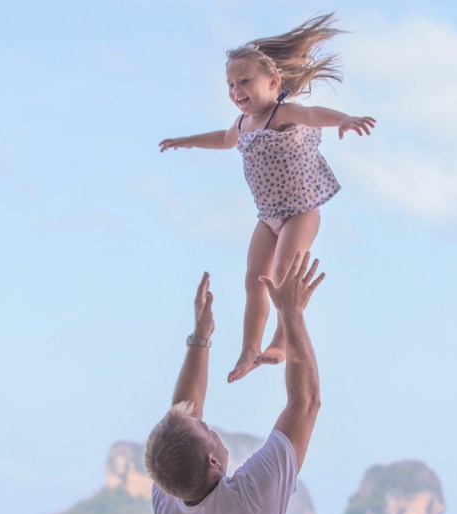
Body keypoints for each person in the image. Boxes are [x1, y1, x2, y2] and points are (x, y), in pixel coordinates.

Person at [159, 13, 374, 383]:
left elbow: (312, 113)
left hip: (301, 212)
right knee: (254, 280)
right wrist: (187, 140)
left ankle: (281, 339)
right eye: (230, 84)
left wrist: (343, 119)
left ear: (274, 82)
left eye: (244, 81)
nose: (235, 89)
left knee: (280, 275)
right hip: (268, 216)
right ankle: (249, 347)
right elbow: (223, 140)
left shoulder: (281, 113)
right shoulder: (242, 125)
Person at [145, 251, 326, 514]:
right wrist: (291, 313)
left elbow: (183, 414)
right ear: (212, 459)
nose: (209, 424)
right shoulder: (251, 501)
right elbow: (305, 403)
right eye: (207, 430)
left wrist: (201, 336)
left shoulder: (170, 506)